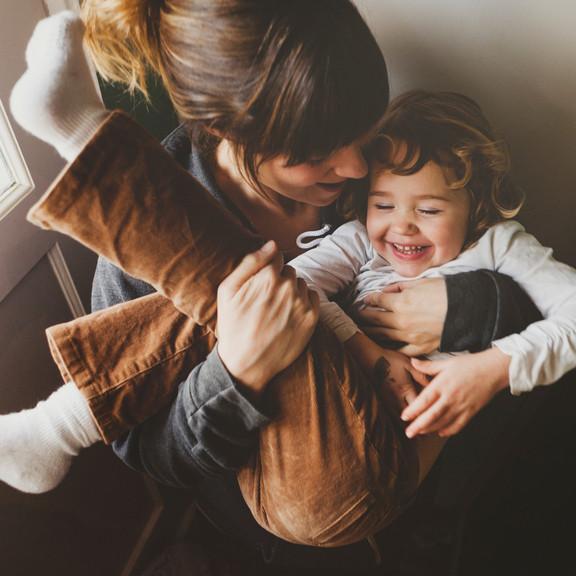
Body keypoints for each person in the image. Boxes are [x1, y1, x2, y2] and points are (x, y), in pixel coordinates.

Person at [1, 3, 539, 572]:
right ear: (224, 131)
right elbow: (153, 455)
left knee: (232, 278)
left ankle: (85, 142)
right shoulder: (134, 264)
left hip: (423, 490)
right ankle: (83, 136)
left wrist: (466, 306)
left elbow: (526, 280)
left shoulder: (380, 174)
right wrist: (236, 372)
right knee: (237, 285)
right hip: (305, 506)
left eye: (362, 133)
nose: (356, 168)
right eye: (316, 154)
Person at [289, 89, 576, 439]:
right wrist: (368, 353)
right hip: (339, 405)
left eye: (428, 210)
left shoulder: (496, 243)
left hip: (439, 432)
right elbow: (292, 283)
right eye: (383, 206)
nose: (402, 226)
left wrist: (494, 368)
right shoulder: (359, 238)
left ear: (475, 203)